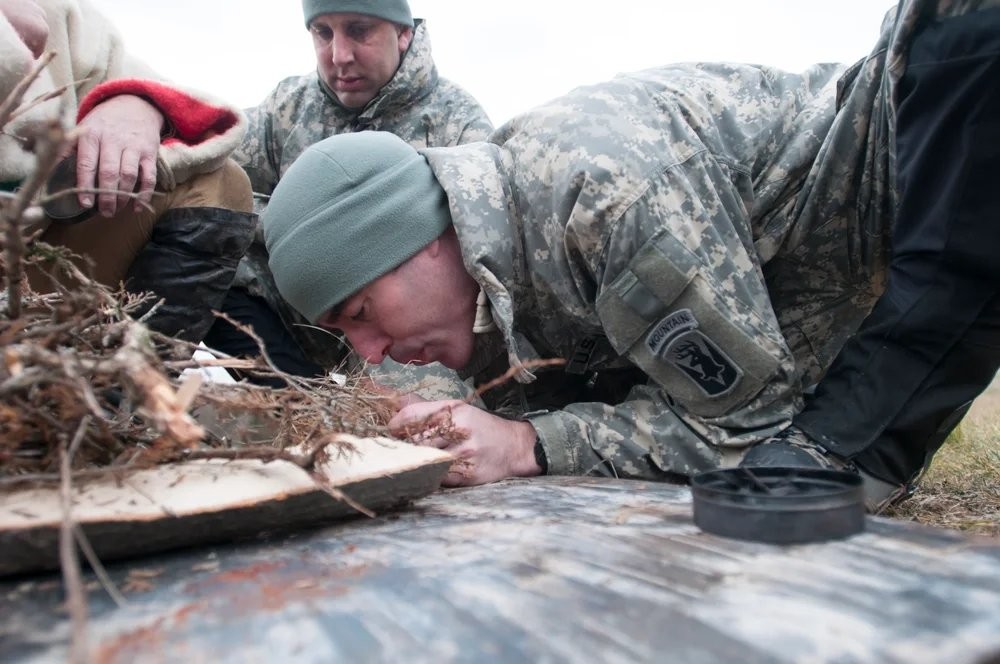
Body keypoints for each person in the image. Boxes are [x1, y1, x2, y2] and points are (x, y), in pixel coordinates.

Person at [261, 0, 1000, 509]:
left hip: (929, 152)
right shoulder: (482, 263)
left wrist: (525, 445)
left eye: (360, 312)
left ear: (420, 240)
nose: (370, 347)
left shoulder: (600, 194)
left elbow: (743, 428)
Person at [204, 0, 493, 377]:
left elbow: (477, 284)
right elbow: (205, 163)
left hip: (414, 333)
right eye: (323, 33)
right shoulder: (289, 109)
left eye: (359, 30)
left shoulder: (458, 124)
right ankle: (300, 407)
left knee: (419, 424)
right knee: (196, 239)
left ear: (403, 33)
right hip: (314, 323)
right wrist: (140, 105)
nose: (339, 55)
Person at [1, 0, 255, 342]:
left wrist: (134, 103)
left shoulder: (58, 14)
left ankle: (128, 384)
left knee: (216, 184)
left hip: (39, 274)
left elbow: (200, 116)